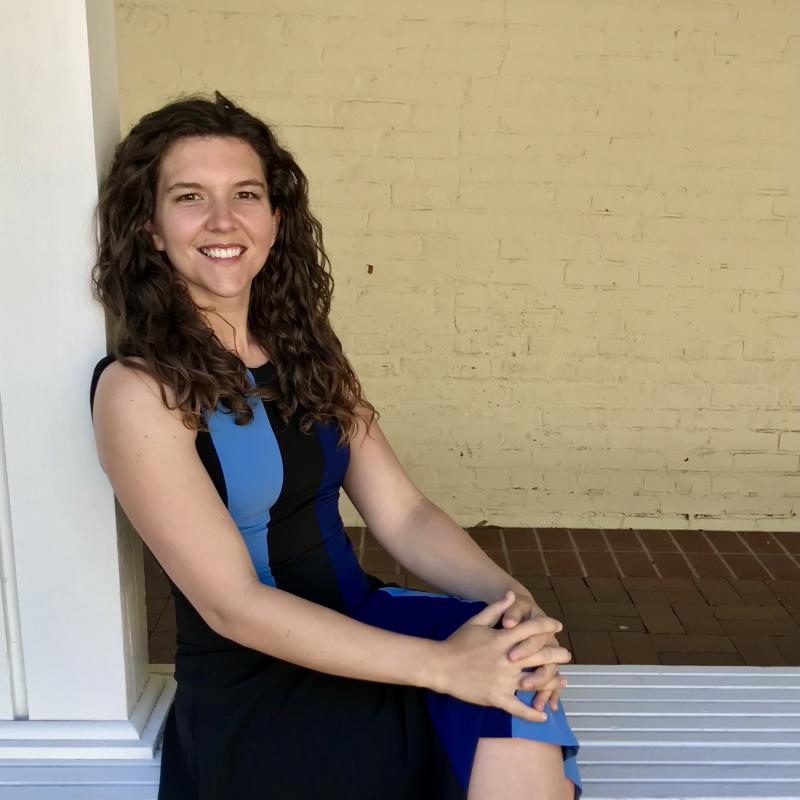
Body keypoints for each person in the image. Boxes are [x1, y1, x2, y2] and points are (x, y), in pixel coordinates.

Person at [89, 91, 582, 800]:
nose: (224, 221)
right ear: (150, 228)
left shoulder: (302, 348)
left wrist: (513, 603)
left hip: (368, 621)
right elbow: (233, 604)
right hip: (260, 676)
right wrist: (444, 666)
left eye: (246, 195)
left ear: (275, 219)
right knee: (488, 690)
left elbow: (403, 513)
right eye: (191, 197)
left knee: (518, 674)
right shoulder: (140, 390)